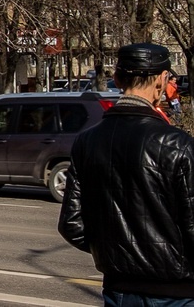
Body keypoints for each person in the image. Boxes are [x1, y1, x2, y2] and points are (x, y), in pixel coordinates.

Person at [59, 42, 194, 305]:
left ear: (118, 79)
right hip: (176, 293)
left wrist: (115, 252)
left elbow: (72, 224)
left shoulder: (88, 141)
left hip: (119, 289)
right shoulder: (178, 145)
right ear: (161, 80)